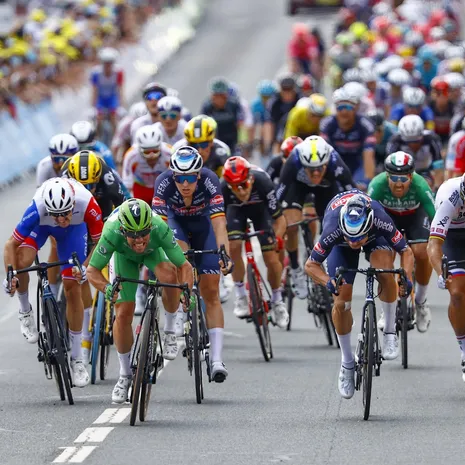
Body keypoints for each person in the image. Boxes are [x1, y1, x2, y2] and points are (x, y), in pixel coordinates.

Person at [305, 191, 414, 399]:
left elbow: (406, 251)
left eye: (358, 237)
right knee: (341, 302)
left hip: (375, 238)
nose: (354, 242)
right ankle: (347, 363)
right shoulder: (333, 227)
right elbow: (310, 265)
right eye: (350, 237)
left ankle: (390, 330)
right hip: (339, 246)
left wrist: (406, 278)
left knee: (385, 271)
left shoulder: (380, 220)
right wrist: (327, 281)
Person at [87, 199, 194, 402]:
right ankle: (125, 375)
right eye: (133, 235)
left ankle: (170, 332)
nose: (139, 240)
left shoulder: (159, 226)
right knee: (123, 314)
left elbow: (185, 266)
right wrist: (107, 288)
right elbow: (92, 270)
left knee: (170, 276)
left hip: (153, 254)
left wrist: (186, 293)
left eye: (144, 233)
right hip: (123, 258)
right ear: (122, 230)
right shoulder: (111, 231)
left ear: (150, 227)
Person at [3, 178, 104, 388]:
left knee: (73, 288)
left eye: (66, 213)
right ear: (48, 209)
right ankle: (25, 311)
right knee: (21, 262)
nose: (61, 219)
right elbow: (10, 244)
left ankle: (77, 359)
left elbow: (100, 243)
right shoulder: (38, 207)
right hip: (41, 227)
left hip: (74, 233)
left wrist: (86, 267)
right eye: (56, 214)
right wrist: (10, 275)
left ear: (73, 204)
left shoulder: (87, 203)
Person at [153, 147, 233, 382]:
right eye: (180, 178)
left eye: (190, 178)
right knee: (178, 259)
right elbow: (159, 229)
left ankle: (216, 359)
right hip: (175, 223)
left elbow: (219, 224)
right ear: (173, 175)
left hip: (203, 225)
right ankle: (176, 316)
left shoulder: (210, 180)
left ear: (198, 175)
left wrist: (224, 254)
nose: (185, 184)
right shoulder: (163, 183)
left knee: (211, 291)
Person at [277, 136, 355, 298]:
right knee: (291, 225)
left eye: (320, 168)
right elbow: (280, 193)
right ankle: (295, 268)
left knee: (333, 224)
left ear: (326, 163)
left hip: (326, 188)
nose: (316, 173)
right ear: (303, 164)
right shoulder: (293, 161)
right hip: (298, 187)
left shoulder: (335, 161)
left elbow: (352, 191)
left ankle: (322, 256)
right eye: (311, 169)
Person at [368, 152, 435, 332]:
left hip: (415, 217)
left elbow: (436, 215)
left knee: (422, 251)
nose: (399, 183)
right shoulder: (377, 185)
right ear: (387, 176)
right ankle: (387, 307)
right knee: (384, 257)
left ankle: (421, 301)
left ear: (411, 177)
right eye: (394, 178)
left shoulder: (421, 185)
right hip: (389, 217)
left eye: (404, 179)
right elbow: (367, 213)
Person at [221, 156, 288, 327]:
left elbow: (280, 220)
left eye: (243, 185)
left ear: (250, 179)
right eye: (234, 187)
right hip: (236, 211)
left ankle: (277, 300)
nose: (241, 191)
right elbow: (218, 223)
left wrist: (278, 240)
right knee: (234, 246)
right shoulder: (222, 189)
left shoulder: (263, 182)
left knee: (271, 258)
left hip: (261, 211)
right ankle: (241, 296)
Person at [427, 174, 465, 382]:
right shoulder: (449, 196)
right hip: (452, 236)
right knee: (457, 293)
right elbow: (434, 245)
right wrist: (440, 273)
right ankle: (464, 348)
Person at [320, 88, 376, 189]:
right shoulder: (327, 124)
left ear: (355, 108)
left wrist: (368, 182)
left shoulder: (366, 124)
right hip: (336, 160)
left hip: (358, 161)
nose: (344, 111)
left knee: (360, 187)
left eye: (348, 107)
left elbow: (369, 155)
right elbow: (324, 154)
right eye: (340, 107)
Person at [61, 150, 126, 221]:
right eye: (80, 186)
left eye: (89, 186)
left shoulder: (108, 180)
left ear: (97, 179)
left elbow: (122, 203)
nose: (85, 191)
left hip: (102, 199)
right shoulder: (65, 179)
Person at [386, 115, 444, 190]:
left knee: (426, 184)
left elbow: (438, 166)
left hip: (425, 171)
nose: (413, 145)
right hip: (402, 172)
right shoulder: (395, 141)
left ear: (422, 135)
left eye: (416, 141)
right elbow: (389, 168)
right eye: (409, 142)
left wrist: (437, 188)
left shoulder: (432, 139)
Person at [122, 124, 171, 205]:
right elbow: (127, 183)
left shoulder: (169, 153)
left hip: (163, 188)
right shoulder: (131, 155)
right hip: (141, 188)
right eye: (147, 152)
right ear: (139, 149)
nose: (151, 156)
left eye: (155, 151)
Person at [200, 77, 243, 153]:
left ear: (225, 96)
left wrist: (241, 142)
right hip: (213, 143)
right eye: (216, 96)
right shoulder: (207, 107)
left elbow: (240, 124)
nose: (218, 99)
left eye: (221, 96)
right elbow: (202, 126)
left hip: (232, 142)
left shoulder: (234, 105)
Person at [90, 47, 124, 139]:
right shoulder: (96, 73)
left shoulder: (118, 72)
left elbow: (120, 89)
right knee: (98, 118)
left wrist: (121, 105)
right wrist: (92, 107)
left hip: (112, 97)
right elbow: (94, 90)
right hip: (101, 98)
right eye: (105, 63)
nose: (108, 66)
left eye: (110, 63)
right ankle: (97, 137)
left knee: (114, 117)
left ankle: (117, 138)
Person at [263, 75, 301, 153]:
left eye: (289, 89)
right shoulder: (274, 102)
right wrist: (269, 144)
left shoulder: (300, 100)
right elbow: (269, 123)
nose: (287, 92)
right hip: (280, 133)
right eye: (284, 89)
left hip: (298, 131)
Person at [366, 109, 398, 174]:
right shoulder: (363, 131)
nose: (375, 134)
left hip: (390, 152)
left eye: (378, 130)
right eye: (372, 131)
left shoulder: (392, 132)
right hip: (375, 152)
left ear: (383, 126)